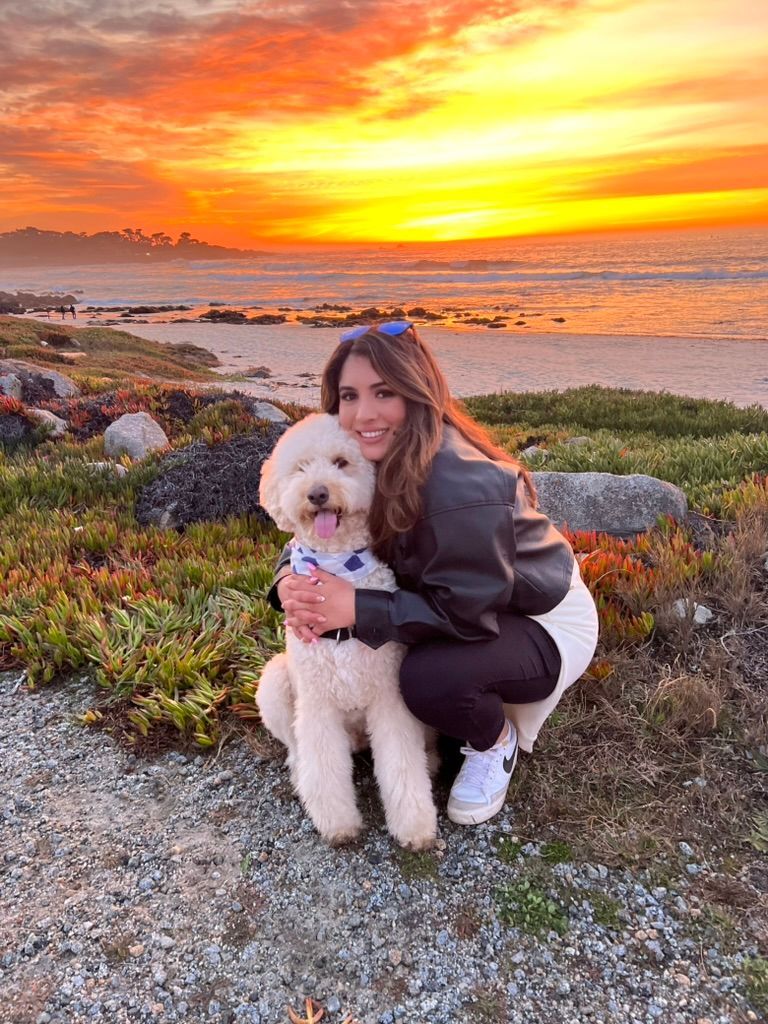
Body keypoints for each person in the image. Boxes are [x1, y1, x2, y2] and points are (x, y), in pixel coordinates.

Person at [269, 321, 599, 826]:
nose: (364, 413)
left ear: (417, 392)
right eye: (349, 395)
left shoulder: (455, 484)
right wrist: (288, 583)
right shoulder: (370, 459)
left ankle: (493, 741)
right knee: (394, 659)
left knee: (423, 678)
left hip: (536, 618)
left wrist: (357, 608)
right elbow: (322, 535)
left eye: (385, 392)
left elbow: (466, 614)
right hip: (457, 602)